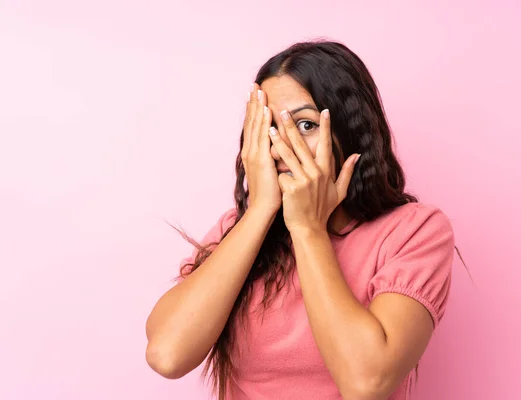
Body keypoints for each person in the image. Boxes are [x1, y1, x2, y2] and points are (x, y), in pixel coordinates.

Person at [145, 41, 455, 400]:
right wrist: (260, 210)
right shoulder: (238, 229)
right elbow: (167, 355)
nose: (281, 148)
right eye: (269, 129)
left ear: (350, 131)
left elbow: (367, 383)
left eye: (305, 124)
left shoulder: (414, 231)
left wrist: (307, 229)